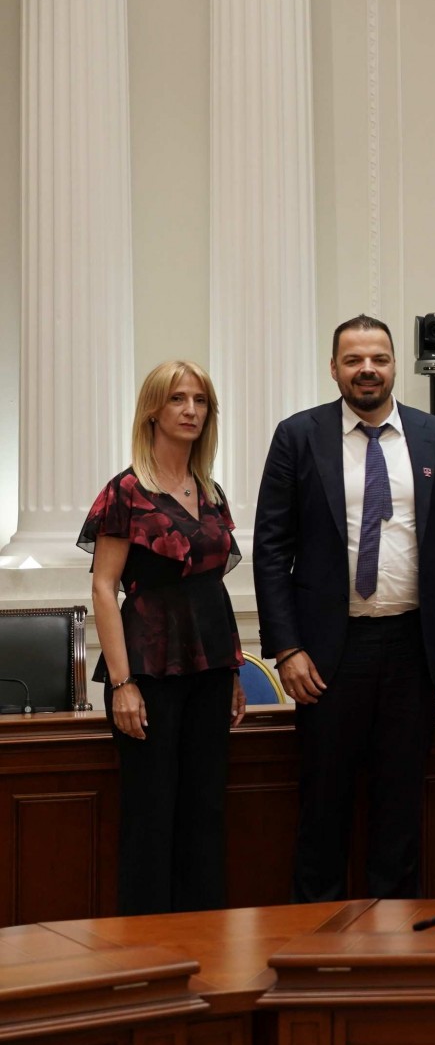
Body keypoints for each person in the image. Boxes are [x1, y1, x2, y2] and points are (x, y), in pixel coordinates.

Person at [253, 314, 435, 902]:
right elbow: (272, 550)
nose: (367, 369)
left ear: (394, 364)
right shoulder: (297, 436)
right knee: (323, 806)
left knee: (400, 806)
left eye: (378, 358)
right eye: (353, 360)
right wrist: (287, 647)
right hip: (329, 654)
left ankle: (395, 938)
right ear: (334, 368)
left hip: (413, 650)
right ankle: (316, 937)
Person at [81, 360, 246, 915]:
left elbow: (213, 589)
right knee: (150, 814)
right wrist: (122, 684)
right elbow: (104, 588)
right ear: (153, 410)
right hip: (147, 668)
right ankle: (146, 946)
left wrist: (233, 669)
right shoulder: (126, 491)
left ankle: (204, 937)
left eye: (200, 401)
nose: (191, 410)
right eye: (178, 399)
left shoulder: (211, 491)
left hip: (211, 667)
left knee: (206, 810)